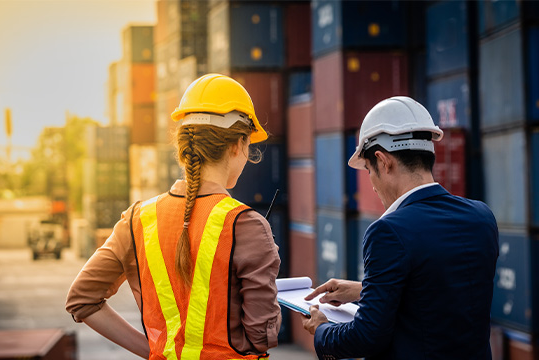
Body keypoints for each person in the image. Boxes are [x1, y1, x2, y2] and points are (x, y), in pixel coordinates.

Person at [66, 74, 282, 359]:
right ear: (236, 145)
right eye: (248, 144)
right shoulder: (247, 226)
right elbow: (260, 337)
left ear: (183, 147)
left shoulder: (137, 219)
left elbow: (81, 300)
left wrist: (155, 351)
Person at [301, 96, 499, 360]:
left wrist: (322, 329)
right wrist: (365, 290)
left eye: (369, 171)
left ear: (383, 161)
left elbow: (366, 336)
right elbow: (441, 290)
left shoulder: (388, 232)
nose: (372, 185)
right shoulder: (482, 217)